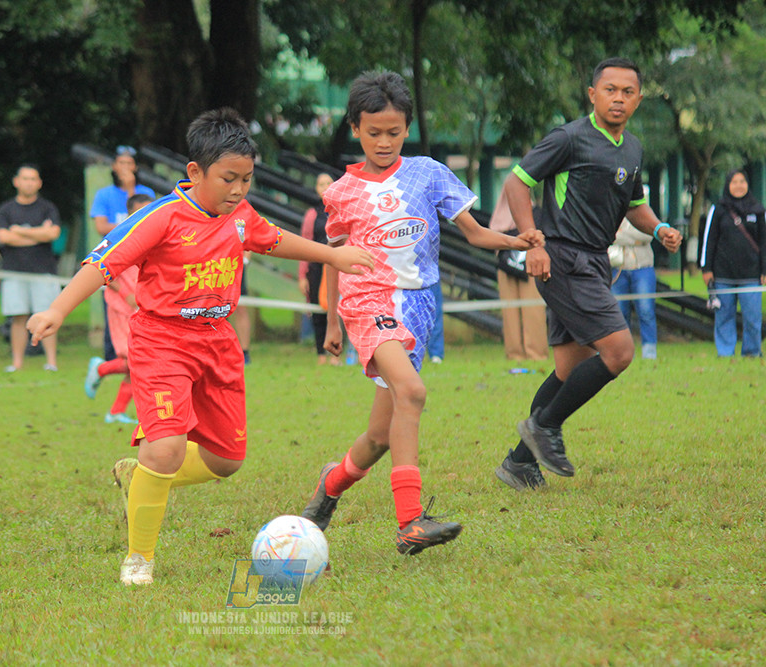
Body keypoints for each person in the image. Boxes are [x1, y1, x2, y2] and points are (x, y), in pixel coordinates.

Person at [27, 108, 373, 585]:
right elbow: (102, 262)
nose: (238, 190)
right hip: (162, 341)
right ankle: (139, 558)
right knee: (166, 447)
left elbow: (275, 241)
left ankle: (139, 474)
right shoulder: (161, 217)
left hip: (217, 342)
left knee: (225, 461)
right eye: (228, 179)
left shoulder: (240, 216)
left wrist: (333, 254)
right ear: (195, 172)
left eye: (247, 180)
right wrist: (57, 310)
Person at [299, 71, 544, 555]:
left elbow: (474, 233)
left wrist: (516, 239)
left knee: (378, 437)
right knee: (412, 392)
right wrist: (331, 322)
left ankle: (328, 489)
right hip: (368, 302)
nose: (384, 141)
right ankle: (410, 523)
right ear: (355, 129)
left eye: (394, 132)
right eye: (374, 133)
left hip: (419, 307)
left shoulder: (428, 173)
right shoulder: (341, 192)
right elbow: (333, 257)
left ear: (407, 128)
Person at [493, 58, 682, 492]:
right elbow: (516, 183)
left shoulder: (632, 148)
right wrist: (534, 242)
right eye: (609, 89)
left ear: (638, 98)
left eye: (627, 91)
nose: (618, 98)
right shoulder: (569, 138)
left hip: (596, 260)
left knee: (567, 368)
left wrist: (658, 229)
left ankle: (520, 463)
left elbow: (634, 203)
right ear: (592, 94)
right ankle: (545, 429)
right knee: (618, 352)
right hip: (561, 258)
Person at [84, 192, 154, 424]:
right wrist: (126, 294)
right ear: (131, 212)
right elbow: (98, 267)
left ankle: (115, 412)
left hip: (143, 307)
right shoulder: (120, 235)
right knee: (137, 362)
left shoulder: (153, 236)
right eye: (142, 209)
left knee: (140, 363)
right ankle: (101, 369)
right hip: (121, 307)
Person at [90, 146, 158, 361]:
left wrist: (131, 189)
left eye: (130, 164)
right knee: (116, 323)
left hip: (141, 266)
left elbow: (152, 223)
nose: (126, 168)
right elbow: (101, 226)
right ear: (114, 166)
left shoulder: (145, 194)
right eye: (122, 163)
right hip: (116, 264)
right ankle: (109, 363)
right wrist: (132, 228)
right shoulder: (104, 194)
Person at [0, 163, 62, 373]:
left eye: (33, 179)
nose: (29, 183)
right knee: (18, 317)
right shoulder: (6, 210)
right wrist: (37, 234)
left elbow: (52, 234)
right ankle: (17, 363)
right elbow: (3, 237)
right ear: (16, 181)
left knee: (47, 316)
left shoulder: (48, 207)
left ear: (39, 183)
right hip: (14, 271)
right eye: (25, 178)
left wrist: (20, 232)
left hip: (44, 272)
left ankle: (51, 362)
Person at [699, 169, 766, 357]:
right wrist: (706, 268)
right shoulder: (718, 209)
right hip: (722, 275)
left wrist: (764, 269)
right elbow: (709, 241)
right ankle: (725, 352)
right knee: (724, 316)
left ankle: (752, 352)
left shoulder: (759, 210)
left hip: (751, 276)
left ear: (748, 184)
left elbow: (764, 242)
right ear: (728, 185)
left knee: (753, 318)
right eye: (734, 182)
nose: (739, 185)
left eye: (742, 181)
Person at [489, 189, 548, 361]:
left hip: (531, 265)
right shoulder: (499, 219)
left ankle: (536, 353)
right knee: (510, 311)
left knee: (533, 309)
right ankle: (514, 354)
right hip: (506, 268)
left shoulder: (535, 214)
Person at [299, 173, 341, 365]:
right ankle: (321, 354)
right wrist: (302, 276)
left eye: (328, 183)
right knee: (318, 311)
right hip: (316, 268)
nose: (324, 186)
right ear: (316, 188)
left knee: (339, 309)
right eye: (321, 183)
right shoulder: (311, 215)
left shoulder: (342, 211)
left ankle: (337, 354)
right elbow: (304, 243)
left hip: (339, 266)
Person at [609, 216, 658, 359]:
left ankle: (649, 353)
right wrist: (634, 238)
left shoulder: (643, 208)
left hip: (643, 268)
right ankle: (624, 352)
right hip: (618, 269)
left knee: (646, 310)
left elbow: (648, 234)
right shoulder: (612, 209)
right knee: (619, 313)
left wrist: (620, 235)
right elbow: (606, 234)